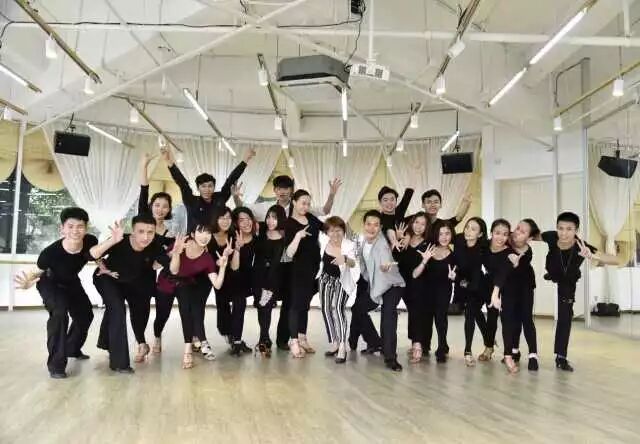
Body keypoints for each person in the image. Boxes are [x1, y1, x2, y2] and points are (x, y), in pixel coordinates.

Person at [233, 175, 342, 351]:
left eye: (286, 188)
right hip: (270, 269)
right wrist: (236, 197)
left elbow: (324, 211)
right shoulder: (266, 209)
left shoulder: (301, 209)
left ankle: (283, 339)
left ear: (291, 191)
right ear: (275, 190)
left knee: (289, 304)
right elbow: (244, 212)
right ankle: (264, 339)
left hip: (291, 267)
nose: (283, 191)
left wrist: (332, 194)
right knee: (266, 304)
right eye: (279, 188)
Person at [14, 207, 97, 379]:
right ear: (62, 229)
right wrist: (27, 282)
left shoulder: (90, 241)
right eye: (70, 226)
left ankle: (72, 348)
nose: (75, 231)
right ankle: (56, 365)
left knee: (85, 314)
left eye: (80, 226)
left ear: (86, 228)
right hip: (49, 282)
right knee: (59, 314)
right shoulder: (50, 253)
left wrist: (103, 266)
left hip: (71, 281)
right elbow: (37, 271)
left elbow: (95, 255)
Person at [538, 212, 618, 372]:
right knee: (553, 269)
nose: (563, 233)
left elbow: (615, 260)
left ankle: (561, 357)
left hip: (567, 282)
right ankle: (552, 274)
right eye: (560, 228)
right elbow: (530, 235)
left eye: (569, 229)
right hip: (553, 270)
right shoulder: (552, 236)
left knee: (565, 317)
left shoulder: (581, 245)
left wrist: (592, 256)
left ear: (576, 230)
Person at [90, 214, 169, 374]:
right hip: (108, 278)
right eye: (141, 231)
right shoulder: (120, 240)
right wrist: (111, 244)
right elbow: (93, 254)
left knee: (138, 310)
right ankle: (120, 363)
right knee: (117, 308)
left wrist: (173, 254)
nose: (145, 237)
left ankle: (128, 343)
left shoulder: (154, 245)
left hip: (133, 282)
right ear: (133, 231)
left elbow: (165, 262)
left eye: (150, 232)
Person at [349, 210, 405, 372]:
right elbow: (364, 265)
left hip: (392, 285)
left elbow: (385, 256)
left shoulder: (382, 244)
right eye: (369, 224)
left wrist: (385, 266)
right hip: (377, 285)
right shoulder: (363, 242)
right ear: (364, 225)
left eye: (376, 225)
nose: (372, 228)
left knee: (388, 315)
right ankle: (375, 342)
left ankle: (391, 358)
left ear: (380, 227)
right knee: (358, 309)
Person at [165, 228, 229, 369]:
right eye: (201, 232)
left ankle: (189, 348)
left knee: (195, 309)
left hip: (194, 282)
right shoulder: (182, 243)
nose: (204, 236)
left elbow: (217, 285)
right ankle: (195, 344)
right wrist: (176, 253)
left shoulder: (207, 257)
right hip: (173, 279)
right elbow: (173, 270)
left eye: (208, 233)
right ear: (193, 234)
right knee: (184, 308)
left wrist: (223, 267)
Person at [160, 146, 255, 231]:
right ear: (198, 188)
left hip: (217, 240)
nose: (207, 189)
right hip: (196, 240)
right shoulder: (191, 201)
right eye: (203, 186)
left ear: (214, 187)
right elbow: (182, 183)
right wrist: (169, 162)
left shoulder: (220, 198)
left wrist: (245, 160)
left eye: (210, 186)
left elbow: (231, 180)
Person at [137, 153, 174, 355]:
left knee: (163, 311)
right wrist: (144, 165)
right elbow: (144, 189)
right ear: (151, 206)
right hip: (139, 274)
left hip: (158, 277)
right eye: (157, 205)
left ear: (169, 210)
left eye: (165, 206)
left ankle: (157, 335)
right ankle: (141, 343)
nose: (160, 209)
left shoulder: (169, 234)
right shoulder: (143, 219)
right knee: (141, 310)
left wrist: (162, 262)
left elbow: (169, 257)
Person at [284, 190, 324, 358]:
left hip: (313, 268)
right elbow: (289, 253)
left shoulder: (312, 218)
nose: (306, 206)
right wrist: (298, 236)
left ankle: (302, 338)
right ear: (294, 202)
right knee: (295, 305)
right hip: (297, 269)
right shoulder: (289, 223)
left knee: (305, 305)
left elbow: (327, 228)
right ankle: (293, 341)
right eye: (303, 203)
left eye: (308, 203)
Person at [412, 219, 456, 363]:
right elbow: (415, 274)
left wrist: (454, 277)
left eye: (447, 233)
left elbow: (458, 275)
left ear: (451, 235)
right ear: (436, 235)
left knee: (441, 318)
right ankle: (425, 345)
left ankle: (442, 347)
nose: (444, 237)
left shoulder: (453, 255)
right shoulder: (428, 249)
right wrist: (424, 260)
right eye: (441, 234)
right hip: (426, 290)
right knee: (426, 317)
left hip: (444, 290)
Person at [318, 216, 359, 364]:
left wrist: (345, 259)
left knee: (338, 308)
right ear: (326, 232)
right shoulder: (324, 242)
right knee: (326, 309)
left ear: (343, 230)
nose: (335, 234)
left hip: (342, 280)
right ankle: (334, 342)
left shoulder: (349, 245)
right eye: (331, 231)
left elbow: (354, 263)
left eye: (338, 230)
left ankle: (342, 345)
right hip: (325, 279)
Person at [478, 219, 517, 370]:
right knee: (487, 316)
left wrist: (495, 294)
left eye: (505, 234)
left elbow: (502, 274)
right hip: (488, 282)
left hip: (506, 285)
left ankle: (506, 353)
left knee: (503, 318)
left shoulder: (509, 253)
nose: (501, 237)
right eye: (497, 233)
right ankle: (489, 344)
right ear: (491, 233)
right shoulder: (484, 245)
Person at [452, 217, 490, 367]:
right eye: (467, 227)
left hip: (477, 285)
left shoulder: (483, 247)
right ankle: (489, 341)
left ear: (480, 234)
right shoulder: (459, 240)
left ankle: (467, 351)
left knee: (470, 313)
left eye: (473, 229)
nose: (468, 231)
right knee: (477, 314)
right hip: (461, 282)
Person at [504, 218, 540, 371]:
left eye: (523, 231)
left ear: (529, 238)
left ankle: (533, 355)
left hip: (525, 286)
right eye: (517, 228)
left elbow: (518, 268)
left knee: (526, 318)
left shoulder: (527, 251)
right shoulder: (506, 241)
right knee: (512, 319)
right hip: (508, 286)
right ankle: (514, 351)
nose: (517, 232)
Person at [252, 205, 287, 357]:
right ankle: (264, 338)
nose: (270, 221)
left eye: (274, 218)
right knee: (261, 308)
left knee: (266, 308)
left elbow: (277, 263)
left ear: (280, 219)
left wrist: (269, 284)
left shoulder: (283, 238)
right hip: (257, 276)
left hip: (272, 279)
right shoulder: (261, 232)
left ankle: (264, 339)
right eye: (269, 217)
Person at [395, 212, 429, 362]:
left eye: (423, 224)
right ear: (411, 223)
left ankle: (417, 344)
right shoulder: (404, 240)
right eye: (416, 222)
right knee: (412, 312)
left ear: (427, 227)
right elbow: (395, 257)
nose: (419, 227)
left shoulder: (427, 244)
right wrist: (400, 238)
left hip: (419, 282)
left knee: (416, 312)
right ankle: (415, 341)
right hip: (402, 282)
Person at [228, 206, 258, 356]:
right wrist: (238, 248)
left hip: (249, 279)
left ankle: (235, 339)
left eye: (248, 219)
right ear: (236, 223)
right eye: (241, 220)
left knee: (241, 307)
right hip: (233, 278)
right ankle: (236, 342)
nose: (246, 223)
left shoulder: (257, 240)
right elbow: (234, 267)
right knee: (239, 306)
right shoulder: (232, 240)